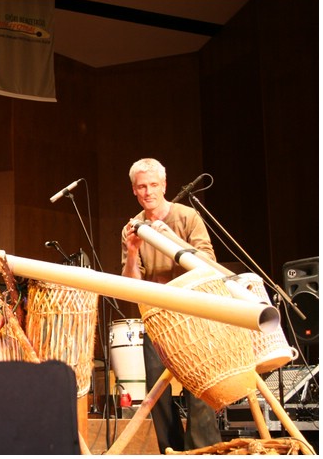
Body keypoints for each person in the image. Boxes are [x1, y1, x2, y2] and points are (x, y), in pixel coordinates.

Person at [120, 158, 222, 453]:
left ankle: (204, 450)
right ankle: (171, 450)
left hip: (193, 316)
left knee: (199, 390)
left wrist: (170, 237)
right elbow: (130, 287)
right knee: (157, 392)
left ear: (164, 185)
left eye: (153, 185)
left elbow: (209, 266)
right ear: (134, 191)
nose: (148, 191)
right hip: (157, 318)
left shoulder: (187, 217)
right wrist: (131, 251)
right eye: (142, 187)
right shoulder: (132, 227)